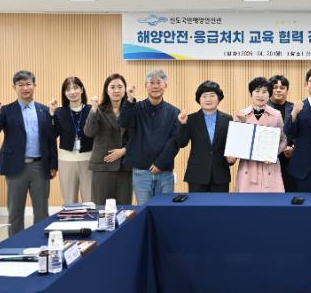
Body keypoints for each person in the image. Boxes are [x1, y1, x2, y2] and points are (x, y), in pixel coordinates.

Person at [0, 70, 57, 235]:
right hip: (15, 167)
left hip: (40, 166)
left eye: (28, 84)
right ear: (14, 87)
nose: (25, 88)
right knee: (15, 213)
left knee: (42, 212)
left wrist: (53, 164)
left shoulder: (44, 110)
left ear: (34, 85)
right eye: (21, 85)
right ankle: (15, 245)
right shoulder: (6, 110)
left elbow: (51, 138)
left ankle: (40, 243)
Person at [120, 69, 180, 204]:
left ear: (165, 86)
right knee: (144, 210)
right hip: (141, 173)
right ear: (145, 86)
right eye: (151, 82)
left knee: (165, 211)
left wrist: (160, 163)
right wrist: (129, 100)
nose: (155, 86)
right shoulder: (135, 108)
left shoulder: (174, 112)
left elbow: (175, 141)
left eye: (159, 82)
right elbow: (123, 122)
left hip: (165, 172)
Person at [176, 81, 235, 192]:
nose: (208, 99)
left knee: (221, 203)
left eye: (212, 95)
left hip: (220, 174)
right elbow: (181, 143)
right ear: (199, 99)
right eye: (204, 96)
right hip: (197, 175)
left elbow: (230, 145)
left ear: (219, 98)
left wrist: (232, 157)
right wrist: (182, 124)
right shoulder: (191, 119)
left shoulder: (227, 119)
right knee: (197, 204)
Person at [83, 74, 132, 206]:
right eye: (112, 87)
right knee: (101, 207)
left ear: (125, 89)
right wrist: (93, 110)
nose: (116, 90)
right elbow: (89, 132)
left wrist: (124, 151)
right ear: (107, 90)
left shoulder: (131, 110)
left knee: (123, 208)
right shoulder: (98, 109)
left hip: (125, 167)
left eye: (120, 87)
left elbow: (138, 137)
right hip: (102, 165)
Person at [233, 77, 288, 192]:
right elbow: (237, 143)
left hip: (269, 166)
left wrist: (273, 154)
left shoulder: (276, 115)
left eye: (264, 92)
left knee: (271, 201)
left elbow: (283, 140)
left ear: (269, 95)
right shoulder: (241, 114)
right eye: (257, 91)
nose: (260, 95)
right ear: (251, 93)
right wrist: (243, 123)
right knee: (247, 201)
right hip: (248, 167)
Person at [48, 76, 93, 204]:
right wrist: (51, 114)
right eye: (68, 89)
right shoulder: (59, 112)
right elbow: (52, 135)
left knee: (90, 200)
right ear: (64, 93)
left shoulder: (91, 110)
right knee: (70, 201)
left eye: (75, 88)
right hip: (66, 161)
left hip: (89, 160)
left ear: (82, 90)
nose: (72, 92)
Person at [267, 74, 297, 192]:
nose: (278, 90)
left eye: (282, 87)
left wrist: (294, 147)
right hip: (267, 160)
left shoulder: (295, 109)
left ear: (287, 90)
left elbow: (301, 132)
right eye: (275, 87)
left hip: (290, 160)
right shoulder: (261, 108)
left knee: (290, 193)